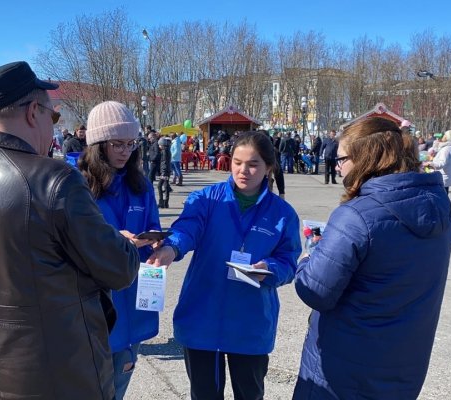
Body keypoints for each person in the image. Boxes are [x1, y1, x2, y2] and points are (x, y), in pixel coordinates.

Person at [0, 61, 140, 400]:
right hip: (60, 368)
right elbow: (119, 269)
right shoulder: (53, 179)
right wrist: (116, 239)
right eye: (54, 116)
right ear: (34, 111)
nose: (52, 125)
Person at [293, 117, 451, 399]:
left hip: (344, 369)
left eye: (341, 158)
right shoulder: (440, 209)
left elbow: (316, 291)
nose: (336, 166)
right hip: (404, 364)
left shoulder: (356, 216)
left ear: (364, 158)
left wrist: (308, 257)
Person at [147, 131, 301, 400]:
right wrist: (172, 247)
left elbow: (289, 260)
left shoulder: (282, 214)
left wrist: (270, 268)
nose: (244, 171)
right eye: (237, 162)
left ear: (268, 167)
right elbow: (187, 228)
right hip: (202, 318)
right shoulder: (207, 199)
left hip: (250, 323)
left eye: (253, 164)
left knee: (250, 394)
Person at [77, 100, 163, 399]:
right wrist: (113, 239)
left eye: (131, 143)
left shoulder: (142, 185)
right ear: (98, 145)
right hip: (96, 301)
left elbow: (154, 225)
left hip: (136, 294)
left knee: (118, 384)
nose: (126, 151)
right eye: (117, 144)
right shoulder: (78, 185)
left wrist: (156, 242)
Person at [157, 137, 172, 208]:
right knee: (166, 186)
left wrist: (163, 173)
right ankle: (166, 202)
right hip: (167, 171)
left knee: (159, 186)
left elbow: (164, 162)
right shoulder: (167, 150)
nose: (159, 146)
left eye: (159, 145)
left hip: (164, 171)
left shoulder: (164, 151)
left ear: (162, 145)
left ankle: (161, 202)